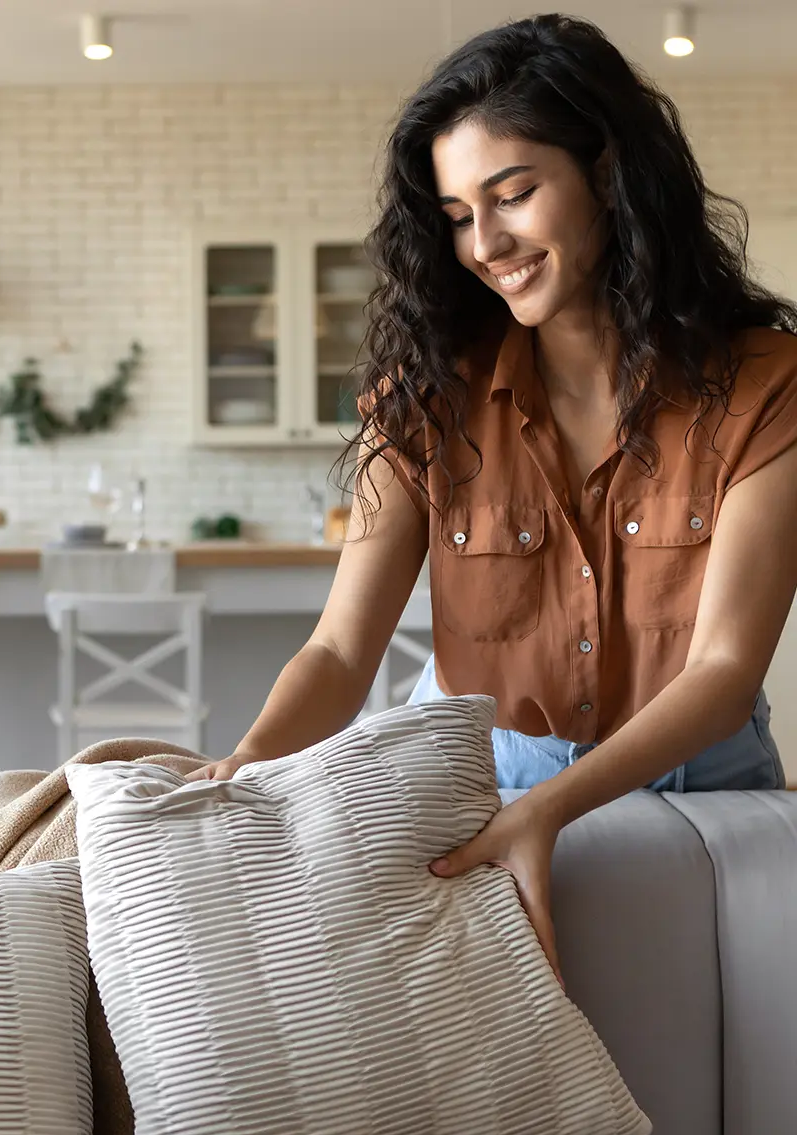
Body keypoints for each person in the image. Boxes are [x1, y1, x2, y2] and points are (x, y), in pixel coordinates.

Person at [187, 13, 797, 980]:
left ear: (608, 175)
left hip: (707, 793)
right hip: (488, 781)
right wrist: (246, 766)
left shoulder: (767, 382)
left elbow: (723, 672)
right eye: (459, 215)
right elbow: (344, 649)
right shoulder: (427, 396)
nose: (486, 242)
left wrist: (547, 815)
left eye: (513, 195)